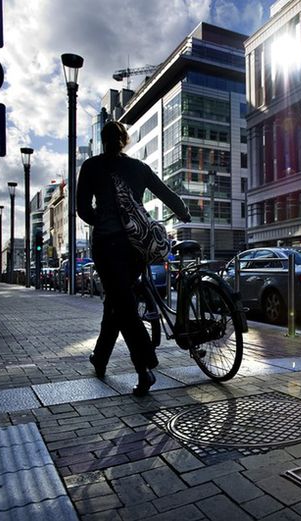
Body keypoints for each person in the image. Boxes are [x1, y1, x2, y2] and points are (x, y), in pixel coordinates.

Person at [77, 121, 191, 396]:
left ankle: (144, 368)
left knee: (123, 305)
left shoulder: (91, 166)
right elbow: (165, 193)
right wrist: (183, 212)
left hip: (108, 245)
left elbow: (81, 209)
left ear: (103, 141)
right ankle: (100, 358)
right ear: (124, 140)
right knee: (116, 302)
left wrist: (102, 219)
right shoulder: (138, 168)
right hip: (135, 247)